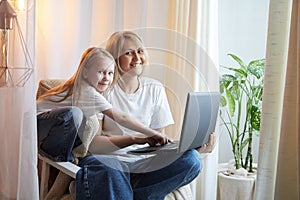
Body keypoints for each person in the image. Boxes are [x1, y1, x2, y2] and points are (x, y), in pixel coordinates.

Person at [73, 31, 215, 199]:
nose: (137, 57)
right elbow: (94, 145)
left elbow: (158, 140)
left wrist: (191, 147)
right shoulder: (103, 89)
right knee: (111, 167)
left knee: (192, 160)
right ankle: (129, 190)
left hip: (142, 165)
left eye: (140, 51)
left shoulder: (155, 89)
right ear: (114, 59)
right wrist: (135, 138)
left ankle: (125, 190)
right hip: (108, 162)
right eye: (128, 53)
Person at [37, 47, 171, 199]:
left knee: (77, 117)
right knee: (73, 114)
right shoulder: (87, 92)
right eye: (101, 72)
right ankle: (60, 155)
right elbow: (122, 118)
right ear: (86, 72)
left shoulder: (87, 91)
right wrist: (152, 132)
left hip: (50, 127)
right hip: (38, 125)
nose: (106, 78)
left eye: (110, 73)